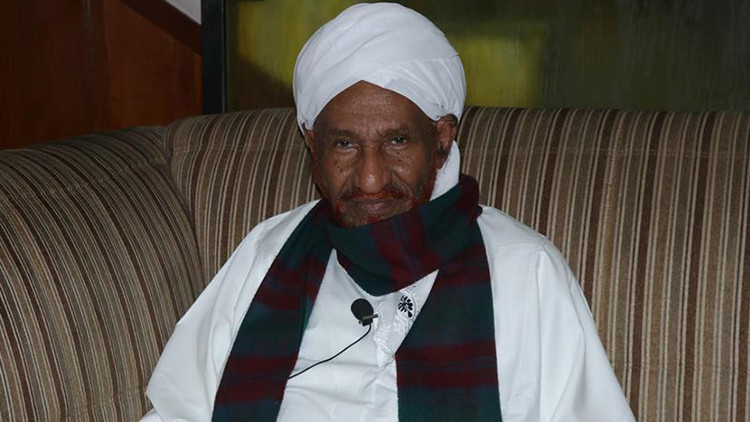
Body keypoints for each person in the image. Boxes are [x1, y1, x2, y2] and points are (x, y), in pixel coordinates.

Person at [141, 3, 635, 421]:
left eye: (397, 141)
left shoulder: (524, 270)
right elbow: (178, 412)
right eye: (344, 144)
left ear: (441, 138)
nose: (371, 179)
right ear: (312, 143)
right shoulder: (268, 255)